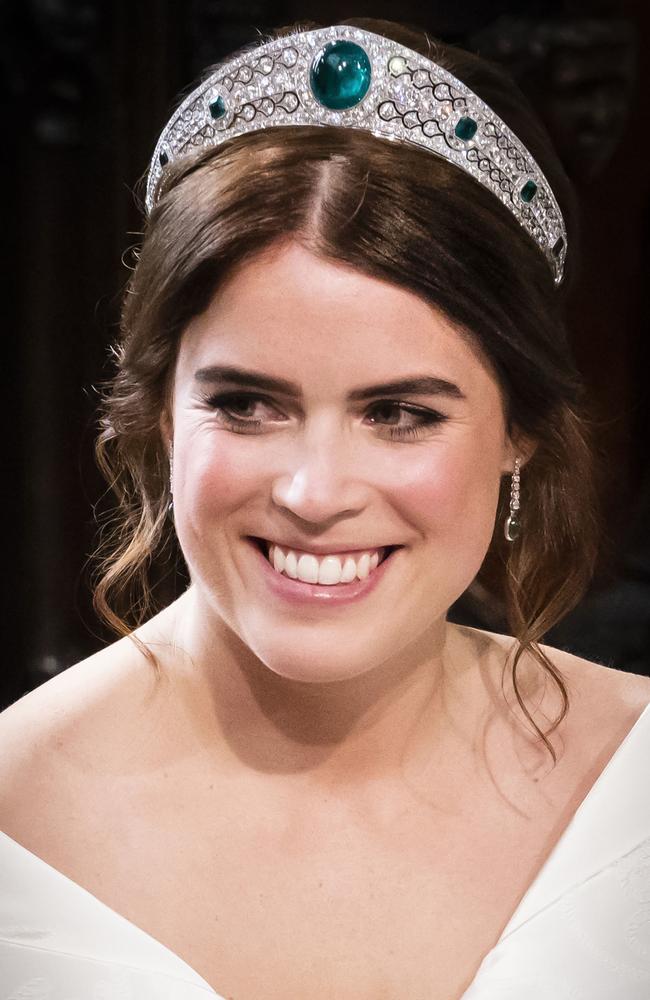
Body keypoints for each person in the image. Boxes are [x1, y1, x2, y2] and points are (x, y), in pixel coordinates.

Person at [1, 16, 649, 999]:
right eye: (247, 404)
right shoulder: (16, 812)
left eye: (397, 413)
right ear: (160, 414)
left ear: (519, 426)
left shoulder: (633, 789)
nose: (313, 493)